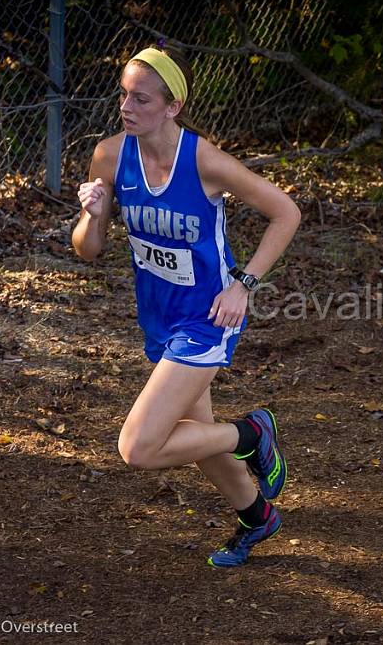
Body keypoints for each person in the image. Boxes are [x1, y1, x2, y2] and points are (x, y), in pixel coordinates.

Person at [71, 43, 301, 568]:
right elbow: (88, 250)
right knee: (192, 434)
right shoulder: (110, 155)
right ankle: (256, 515)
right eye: (123, 95)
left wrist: (243, 283)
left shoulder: (205, 161)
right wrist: (93, 215)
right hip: (158, 314)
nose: (127, 107)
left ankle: (252, 432)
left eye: (142, 99)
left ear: (172, 107)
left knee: (141, 446)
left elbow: (286, 212)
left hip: (208, 317)